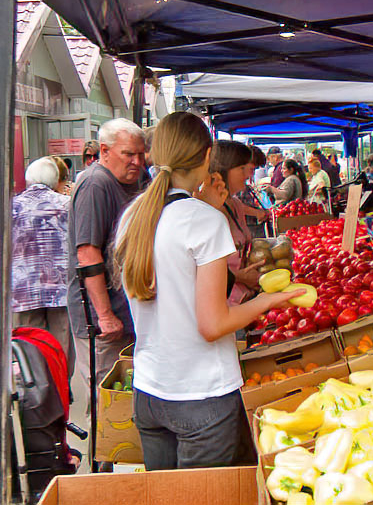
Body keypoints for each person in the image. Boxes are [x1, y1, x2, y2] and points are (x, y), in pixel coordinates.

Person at [114, 112, 302, 470]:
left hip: (150, 391)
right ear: (205, 157)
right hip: (201, 395)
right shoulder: (204, 220)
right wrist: (266, 300)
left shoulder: (134, 215)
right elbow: (213, 324)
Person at [67, 118, 145, 418]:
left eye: (140, 154)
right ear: (105, 150)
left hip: (125, 310)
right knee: (109, 400)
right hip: (102, 320)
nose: (136, 161)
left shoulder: (132, 180)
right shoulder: (95, 184)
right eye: (129, 154)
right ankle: (102, 462)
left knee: (125, 395)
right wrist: (105, 315)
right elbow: (87, 253)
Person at [12, 157, 75, 377]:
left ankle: (36, 390)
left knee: (30, 345)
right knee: (61, 344)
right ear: (55, 179)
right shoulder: (66, 205)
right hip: (60, 288)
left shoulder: (12, 207)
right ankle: (61, 389)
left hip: (24, 290)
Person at [210, 141, 267, 305]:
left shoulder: (234, 204)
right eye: (242, 168)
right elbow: (201, 271)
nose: (248, 175)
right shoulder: (210, 212)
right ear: (224, 169)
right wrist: (241, 276)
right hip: (222, 304)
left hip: (242, 299)